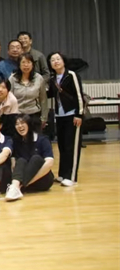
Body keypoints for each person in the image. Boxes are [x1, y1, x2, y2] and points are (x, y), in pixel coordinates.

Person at [47, 52, 85, 187]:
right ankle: (63, 174)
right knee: (62, 146)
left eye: (58, 59)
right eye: (52, 60)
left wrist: (79, 114)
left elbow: (79, 95)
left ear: (63, 61)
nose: (56, 61)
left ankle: (72, 177)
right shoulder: (52, 79)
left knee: (72, 147)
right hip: (59, 116)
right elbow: (50, 94)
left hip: (72, 115)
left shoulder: (71, 75)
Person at [5, 115, 55, 201]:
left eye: (22, 123)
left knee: (36, 158)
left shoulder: (42, 139)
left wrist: (27, 182)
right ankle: (14, 187)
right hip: (24, 182)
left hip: (42, 179)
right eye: (17, 124)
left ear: (29, 124)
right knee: (20, 160)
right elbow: (14, 164)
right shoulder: (16, 141)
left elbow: (49, 163)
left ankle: (16, 187)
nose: (20, 126)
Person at [9, 53, 48, 137]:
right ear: (19, 65)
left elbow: (43, 99)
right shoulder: (13, 78)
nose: (26, 65)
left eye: (28, 62)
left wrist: (44, 117)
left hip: (34, 115)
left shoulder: (39, 78)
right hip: (18, 115)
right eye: (23, 62)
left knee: (35, 140)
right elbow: (9, 98)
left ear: (32, 64)